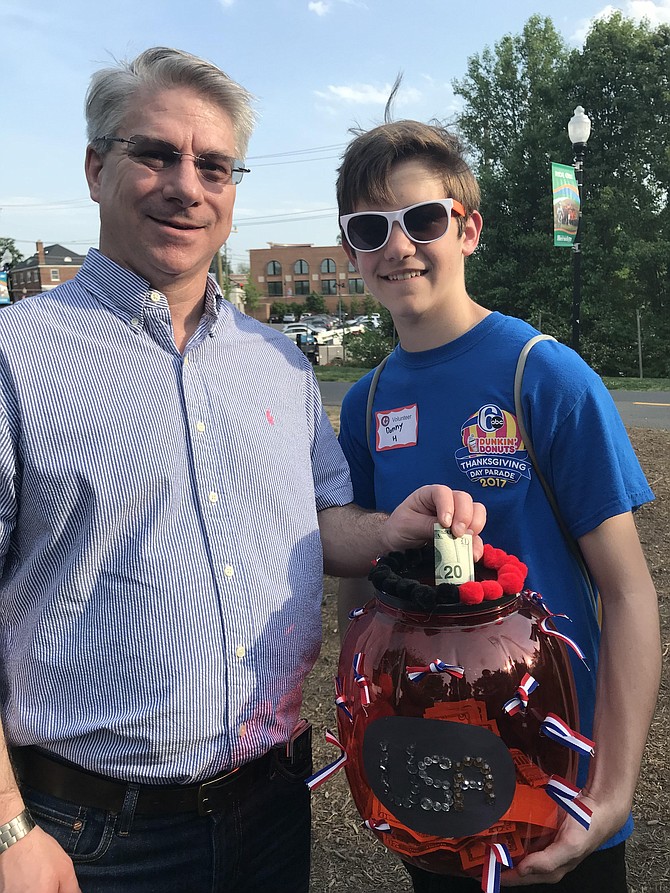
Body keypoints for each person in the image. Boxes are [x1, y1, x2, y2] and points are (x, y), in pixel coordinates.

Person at [0, 51, 487, 893]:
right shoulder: (18, 357)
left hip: (269, 807)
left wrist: (389, 530)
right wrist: (9, 830)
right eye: (155, 153)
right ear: (94, 168)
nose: (186, 186)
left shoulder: (279, 362)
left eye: (213, 165)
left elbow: (322, 520)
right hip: (90, 833)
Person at [336, 117, 660, 891]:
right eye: (369, 228)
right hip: (430, 779)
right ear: (350, 249)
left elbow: (629, 593)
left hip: (550, 783)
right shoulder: (364, 404)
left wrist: (611, 795)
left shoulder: (543, 375)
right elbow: (362, 590)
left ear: (467, 228)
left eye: (422, 219)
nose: (398, 245)